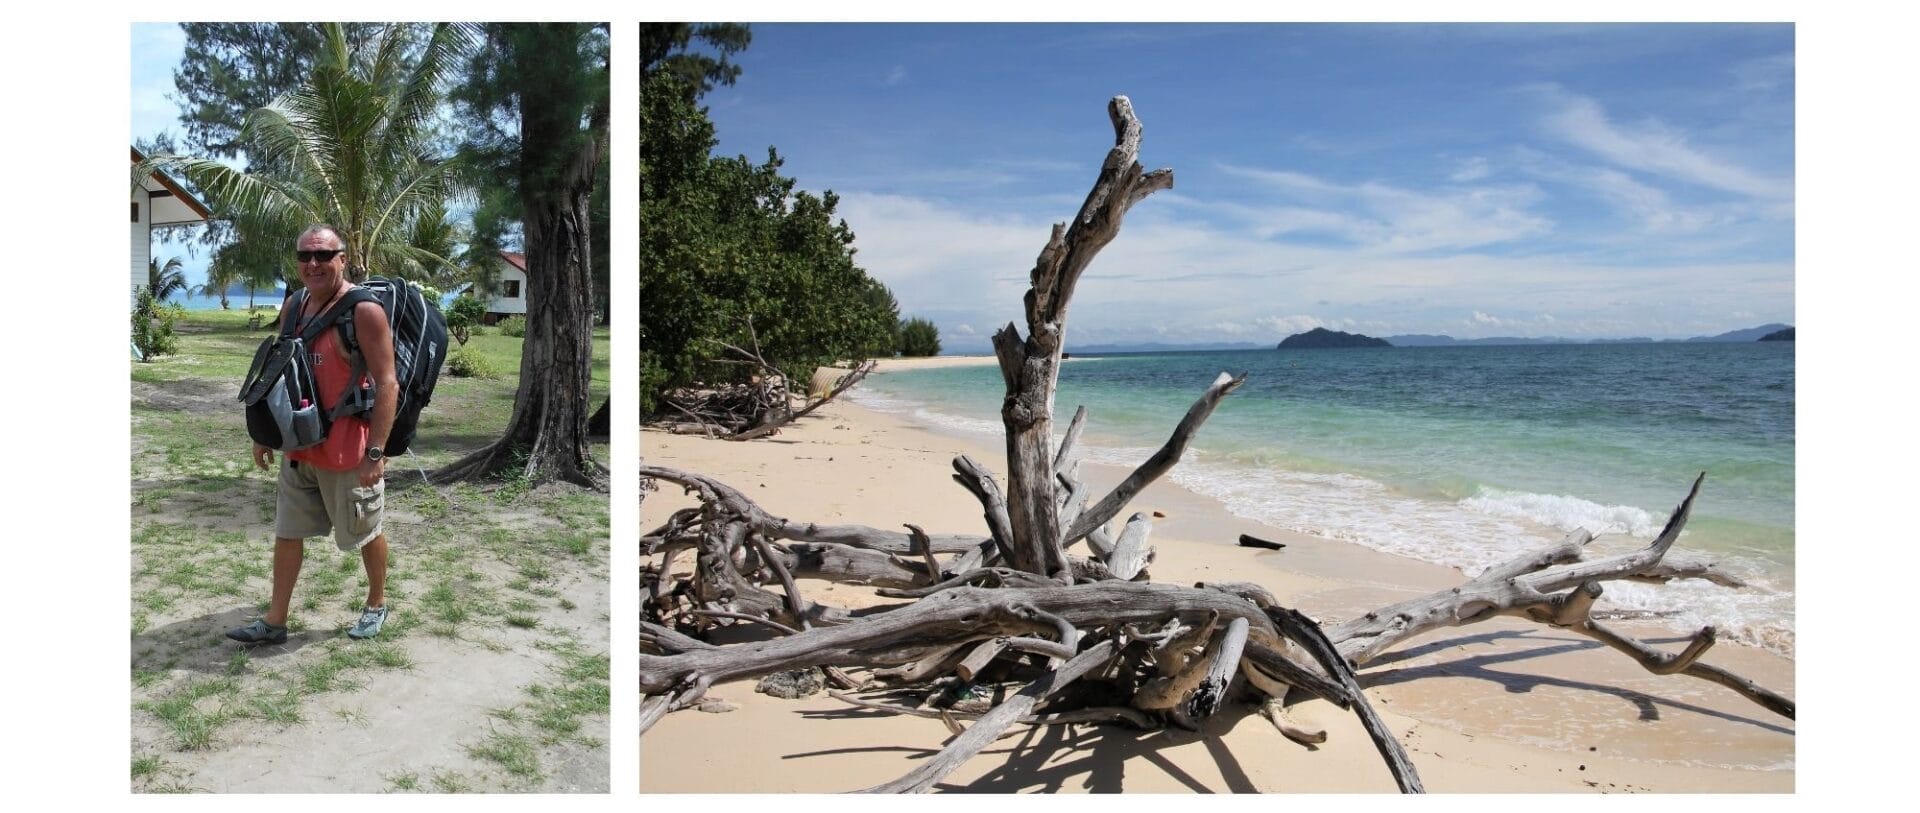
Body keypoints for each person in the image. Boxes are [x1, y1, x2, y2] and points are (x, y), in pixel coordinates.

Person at [227, 224, 398, 644]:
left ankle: (377, 602)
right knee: (287, 533)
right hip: (299, 449)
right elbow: (278, 373)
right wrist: (265, 432)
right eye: (305, 256)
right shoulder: (295, 306)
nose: (313, 264)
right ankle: (275, 620)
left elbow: (388, 383)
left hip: (347, 453)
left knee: (366, 532)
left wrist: (375, 454)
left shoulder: (365, 311)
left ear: (342, 258)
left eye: (324, 255)